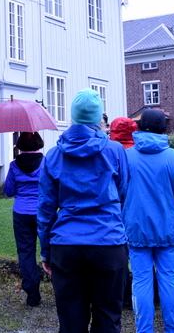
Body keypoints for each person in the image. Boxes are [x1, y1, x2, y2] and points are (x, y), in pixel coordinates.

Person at [38, 89, 129, 333]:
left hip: (66, 245)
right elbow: (123, 194)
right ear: (99, 117)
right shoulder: (115, 151)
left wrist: (46, 251)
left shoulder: (53, 155)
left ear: (73, 117)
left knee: (71, 322)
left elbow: (46, 209)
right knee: (108, 319)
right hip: (108, 242)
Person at [123, 108, 174, 333]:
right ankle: (173, 329)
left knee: (141, 282)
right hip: (168, 230)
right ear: (164, 129)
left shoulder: (127, 157)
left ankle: (144, 329)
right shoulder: (173, 157)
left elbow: (119, 194)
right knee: (169, 282)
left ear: (139, 127)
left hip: (136, 230)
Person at [3, 131, 45, 307]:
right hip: (43, 212)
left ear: (20, 146)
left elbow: (8, 191)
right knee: (51, 249)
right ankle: (62, 290)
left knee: (26, 252)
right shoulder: (46, 163)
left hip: (21, 213)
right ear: (39, 143)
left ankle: (32, 295)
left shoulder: (14, 165)